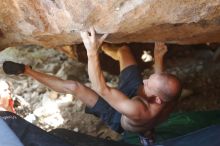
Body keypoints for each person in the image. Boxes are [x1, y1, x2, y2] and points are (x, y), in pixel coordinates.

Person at [3, 28, 181, 146]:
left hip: (117, 115)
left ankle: (25, 71)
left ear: (157, 99)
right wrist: (159, 57)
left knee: (74, 86)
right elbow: (161, 82)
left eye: (149, 82)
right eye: (149, 78)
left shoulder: (137, 109)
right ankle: (147, 133)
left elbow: (101, 88)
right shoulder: (168, 96)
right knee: (124, 51)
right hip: (135, 98)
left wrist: (91, 51)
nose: (144, 80)